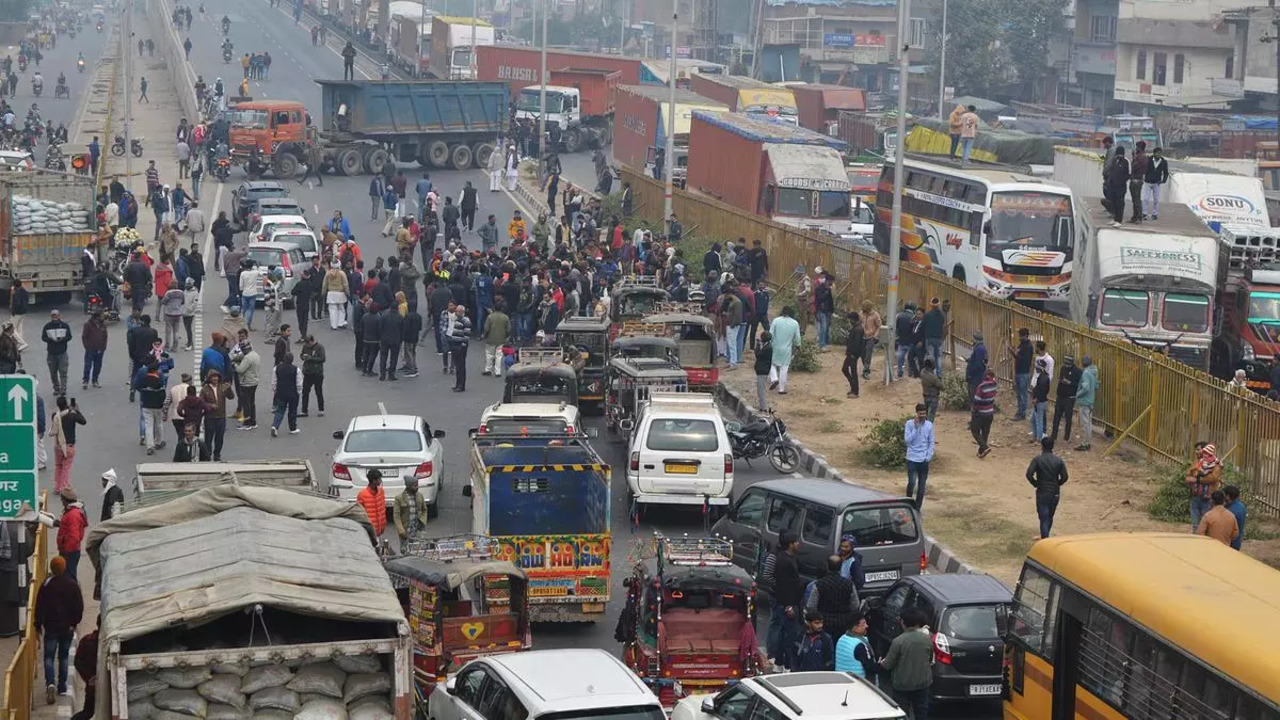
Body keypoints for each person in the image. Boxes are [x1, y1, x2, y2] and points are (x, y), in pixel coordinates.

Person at [35, 555, 82, 705]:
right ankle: (62, 686)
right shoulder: (72, 584)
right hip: (67, 628)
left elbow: (39, 606)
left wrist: (38, 624)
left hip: (51, 627)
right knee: (63, 656)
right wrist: (74, 623)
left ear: (52, 569)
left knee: (48, 657)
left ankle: (50, 683)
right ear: (64, 567)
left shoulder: (46, 585)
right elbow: (79, 606)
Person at [880, 606, 934, 717]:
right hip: (923, 684)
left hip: (902, 685)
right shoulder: (927, 639)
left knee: (903, 713)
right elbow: (930, 658)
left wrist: (881, 662)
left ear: (902, 622)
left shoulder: (898, 641)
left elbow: (888, 664)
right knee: (921, 712)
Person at [768, 530, 803, 670]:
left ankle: (779, 663)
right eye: (796, 542)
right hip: (788, 603)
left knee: (783, 634)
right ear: (790, 544)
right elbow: (784, 586)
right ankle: (788, 665)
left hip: (789, 602)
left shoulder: (790, 558)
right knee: (790, 637)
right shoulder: (784, 561)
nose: (798, 544)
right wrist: (789, 606)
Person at [805, 555, 858, 641]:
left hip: (825, 623)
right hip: (844, 623)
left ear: (828, 567)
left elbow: (811, 606)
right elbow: (855, 605)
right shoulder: (849, 584)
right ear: (840, 567)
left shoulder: (819, 584)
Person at [1026, 437, 1069, 538]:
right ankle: (1046, 536)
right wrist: (1057, 484)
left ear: (1042, 446)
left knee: (1043, 516)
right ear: (1053, 447)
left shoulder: (1037, 460)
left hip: (1042, 491)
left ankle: (1045, 538)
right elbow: (1065, 477)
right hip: (1054, 492)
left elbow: (1029, 474)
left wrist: (1035, 483)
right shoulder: (1059, 461)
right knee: (1050, 516)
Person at [49, 396, 85, 494]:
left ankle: (57, 487)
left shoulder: (55, 416)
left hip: (58, 446)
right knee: (66, 468)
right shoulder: (72, 415)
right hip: (69, 446)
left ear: (58, 405)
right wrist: (76, 411)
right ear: (66, 404)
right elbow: (83, 421)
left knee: (58, 466)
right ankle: (63, 488)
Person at [1185, 442, 1222, 531]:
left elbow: (1213, 478)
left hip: (1207, 497)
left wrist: (1198, 479)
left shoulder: (1216, 464)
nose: (1197, 452)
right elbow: (1190, 473)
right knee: (1195, 524)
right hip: (1196, 495)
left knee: (1204, 524)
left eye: (1198, 450)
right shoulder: (1199, 462)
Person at [904, 403, 935, 509]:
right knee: (911, 483)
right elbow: (907, 441)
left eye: (924, 413)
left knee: (921, 488)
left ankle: (917, 508)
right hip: (912, 459)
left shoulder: (929, 425)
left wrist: (928, 456)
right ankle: (907, 504)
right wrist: (916, 428)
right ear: (916, 413)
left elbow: (931, 442)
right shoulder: (909, 424)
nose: (922, 416)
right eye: (920, 413)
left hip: (923, 460)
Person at [199, 369, 234, 460]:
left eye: (216, 377)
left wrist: (229, 388)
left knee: (220, 438)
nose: (215, 379)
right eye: (213, 377)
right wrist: (210, 406)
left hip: (221, 417)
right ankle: (208, 454)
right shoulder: (205, 389)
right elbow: (200, 403)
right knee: (208, 438)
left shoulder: (223, 387)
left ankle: (217, 454)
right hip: (210, 417)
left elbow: (231, 397)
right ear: (209, 378)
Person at [835, 610, 878, 680]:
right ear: (854, 627)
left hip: (841, 682)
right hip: (858, 685)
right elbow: (871, 668)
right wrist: (880, 665)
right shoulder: (859, 645)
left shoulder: (841, 639)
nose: (867, 626)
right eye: (863, 624)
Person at [53, 489, 87, 580]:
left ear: (65, 500)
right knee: (67, 575)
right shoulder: (72, 512)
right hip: (69, 550)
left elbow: (74, 536)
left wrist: (66, 550)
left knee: (68, 577)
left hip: (69, 551)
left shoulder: (73, 514)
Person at [768, 306, 801, 394]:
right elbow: (797, 338)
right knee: (784, 368)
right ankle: (781, 389)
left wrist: (768, 342)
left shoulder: (776, 320)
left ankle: (774, 378)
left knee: (771, 363)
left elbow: (770, 334)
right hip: (787, 349)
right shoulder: (795, 323)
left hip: (775, 346)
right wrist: (797, 346)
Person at [271, 351, 302, 436]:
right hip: (293, 393)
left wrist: (275, 390)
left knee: (280, 410)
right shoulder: (296, 369)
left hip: (281, 392)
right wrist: (299, 392)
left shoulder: (277, 368)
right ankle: (292, 428)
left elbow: (274, 382)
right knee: (292, 411)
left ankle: (275, 426)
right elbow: (299, 383)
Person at [41, 308, 71, 396]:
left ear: (59, 316)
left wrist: (62, 339)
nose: (54, 317)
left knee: (63, 372)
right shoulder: (47, 326)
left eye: (56, 315)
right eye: (53, 315)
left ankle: (63, 388)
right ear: (51, 316)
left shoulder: (64, 325)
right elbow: (43, 337)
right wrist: (50, 339)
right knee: (53, 373)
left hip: (62, 353)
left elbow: (69, 336)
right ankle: (56, 388)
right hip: (51, 354)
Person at [393, 476, 428, 547]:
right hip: (406, 531)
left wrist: (423, 521)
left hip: (418, 530)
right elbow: (396, 516)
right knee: (405, 551)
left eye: (417, 485)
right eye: (414, 486)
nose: (417, 487)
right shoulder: (399, 498)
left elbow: (424, 509)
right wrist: (401, 531)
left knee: (419, 550)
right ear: (408, 486)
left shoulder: (420, 496)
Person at [971, 369, 997, 458]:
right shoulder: (994, 385)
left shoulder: (981, 387)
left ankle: (984, 447)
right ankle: (981, 452)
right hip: (990, 413)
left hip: (980, 413)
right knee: (985, 432)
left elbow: (977, 400)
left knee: (974, 430)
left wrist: (974, 410)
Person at [1075, 355, 1098, 451]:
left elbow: (1085, 387)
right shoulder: (1094, 373)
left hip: (1084, 401)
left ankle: (1084, 443)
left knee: (1084, 424)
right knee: (1088, 423)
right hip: (1090, 400)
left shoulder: (1085, 373)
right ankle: (1088, 442)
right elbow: (1096, 386)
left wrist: (1077, 395)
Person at [482, 300, 510, 376]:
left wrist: (484, 335)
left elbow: (486, 328)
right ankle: (498, 372)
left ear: (494, 308)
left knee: (489, 354)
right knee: (499, 355)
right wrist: (507, 336)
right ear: (502, 309)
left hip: (490, 339)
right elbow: (508, 329)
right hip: (501, 339)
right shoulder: (505, 317)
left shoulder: (490, 317)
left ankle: (488, 369)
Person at [299, 336, 325, 417]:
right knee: (305, 392)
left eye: (309, 344)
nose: (308, 346)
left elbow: (322, 359)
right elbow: (301, 355)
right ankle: (304, 410)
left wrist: (311, 358)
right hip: (307, 373)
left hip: (317, 373)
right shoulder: (305, 346)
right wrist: (303, 357)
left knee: (318, 392)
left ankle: (321, 409)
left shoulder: (319, 347)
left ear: (312, 341)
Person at [357, 469, 387, 536]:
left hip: (380, 530)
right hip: (369, 531)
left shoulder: (381, 491)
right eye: (379, 479)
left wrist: (383, 525)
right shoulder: (362, 495)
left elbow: (382, 509)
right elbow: (359, 513)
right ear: (374, 481)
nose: (381, 481)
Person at [842, 311, 864, 398]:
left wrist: (853, 354)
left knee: (853, 372)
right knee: (845, 369)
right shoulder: (856, 328)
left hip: (853, 354)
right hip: (850, 353)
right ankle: (853, 387)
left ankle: (855, 391)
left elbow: (857, 344)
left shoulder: (858, 329)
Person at [1103, 147, 1129, 224]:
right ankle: (1115, 218)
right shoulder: (1114, 161)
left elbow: (1128, 174)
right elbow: (1111, 171)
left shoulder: (1126, 162)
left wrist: (1121, 181)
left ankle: (1119, 220)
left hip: (1121, 187)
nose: (1119, 156)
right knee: (1113, 202)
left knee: (1120, 203)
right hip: (1112, 186)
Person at [449, 304, 471, 392]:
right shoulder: (455, 319)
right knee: (457, 366)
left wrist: (463, 345)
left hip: (461, 346)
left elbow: (467, 335)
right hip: (454, 344)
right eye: (456, 311)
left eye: (458, 311)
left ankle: (461, 385)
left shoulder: (466, 321)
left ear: (462, 312)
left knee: (461, 366)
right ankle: (457, 383)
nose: (456, 313)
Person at [1143, 146, 1168, 220]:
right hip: (1148, 182)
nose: (1158, 155)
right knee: (1146, 199)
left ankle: (1155, 214)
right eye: (1157, 153)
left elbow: (1166, 172)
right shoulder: (1149, 160)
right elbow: (1144, 168)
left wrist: (1163, 180)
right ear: (1154, 153)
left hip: (1157, 183)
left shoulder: (1163, 162)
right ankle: (1144, 213)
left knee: (1156, 199)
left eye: (1160, 153)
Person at [1030, 357, 1050, 442]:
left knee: (1038, 420)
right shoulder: (1044, 377)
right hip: (1040, 401)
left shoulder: (1043, 378)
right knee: (1033, 419)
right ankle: (1036, 436)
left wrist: (1036, 399)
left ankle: (1039, 438)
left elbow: (1042, 391)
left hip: (1039, 402)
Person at [1128, 140, 1148, 223]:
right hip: (1135, 179)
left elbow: (1134, 167)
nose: (1136, 149)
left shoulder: (1142, 157)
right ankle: (1135, 217)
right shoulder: (1140, 156)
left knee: (1137, 199)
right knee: (1134, 199)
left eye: (1137, 147)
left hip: (1137, 180)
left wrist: (1134, 157)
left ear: (1140, 148)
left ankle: (1139, 217)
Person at [1224, 485, 1246, 550]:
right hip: (1237, 541)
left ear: (1227, 496)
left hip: (1230, 543)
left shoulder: (1229, 511)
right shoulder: (1241, 506)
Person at [754, 332, 772, 411]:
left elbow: (758, 355)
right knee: (760, 389)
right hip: (762, 370)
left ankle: (764, 407)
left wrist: (757, 346)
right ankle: (762, 406)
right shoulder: (767, 346)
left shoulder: (767, 348)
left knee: (761, 390)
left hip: (762, 371)